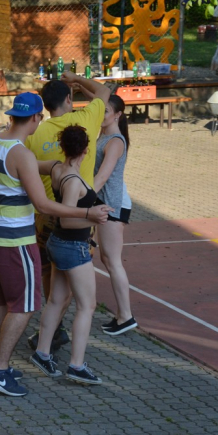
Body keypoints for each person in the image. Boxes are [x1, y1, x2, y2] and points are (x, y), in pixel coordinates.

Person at [0, 93, 111, 397]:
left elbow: (22, 167)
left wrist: (52, 165)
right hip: (15, 239)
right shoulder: (21, 153)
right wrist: (87, 214)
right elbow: (43, 205)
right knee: (26, 306)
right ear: (36, 118)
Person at [24, 71, 111, 353]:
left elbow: (26, 167)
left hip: (43, 216)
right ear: (69, 99)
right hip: (76, 220)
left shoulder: (36, 132)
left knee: (50, 279)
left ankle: (50, 334)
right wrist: (77, 78)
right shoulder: (85, 119)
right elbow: (105, 91)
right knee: (75, 290)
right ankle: (58, 341)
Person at [31, 125, 106, 385]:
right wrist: (93, 217)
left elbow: (29, 165)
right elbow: (66, 219)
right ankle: (76, 365)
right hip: (73, 246)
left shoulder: (55, 167)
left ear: (62, 147)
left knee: (56, 300)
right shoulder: (73, 181)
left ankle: (42, 352)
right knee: (87, 305)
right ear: (86, 150)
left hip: (57, 243)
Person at [92, 95, 137, 336]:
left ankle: (126, 316)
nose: (102, 115)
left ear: (118, 114)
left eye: (106, 111)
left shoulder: (116, 141)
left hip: (113, 205)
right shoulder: (104, 135)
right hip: (106, 203)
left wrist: (81, 198)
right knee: (108, 258)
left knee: (112, 260)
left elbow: (103, 176)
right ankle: (122, 315)